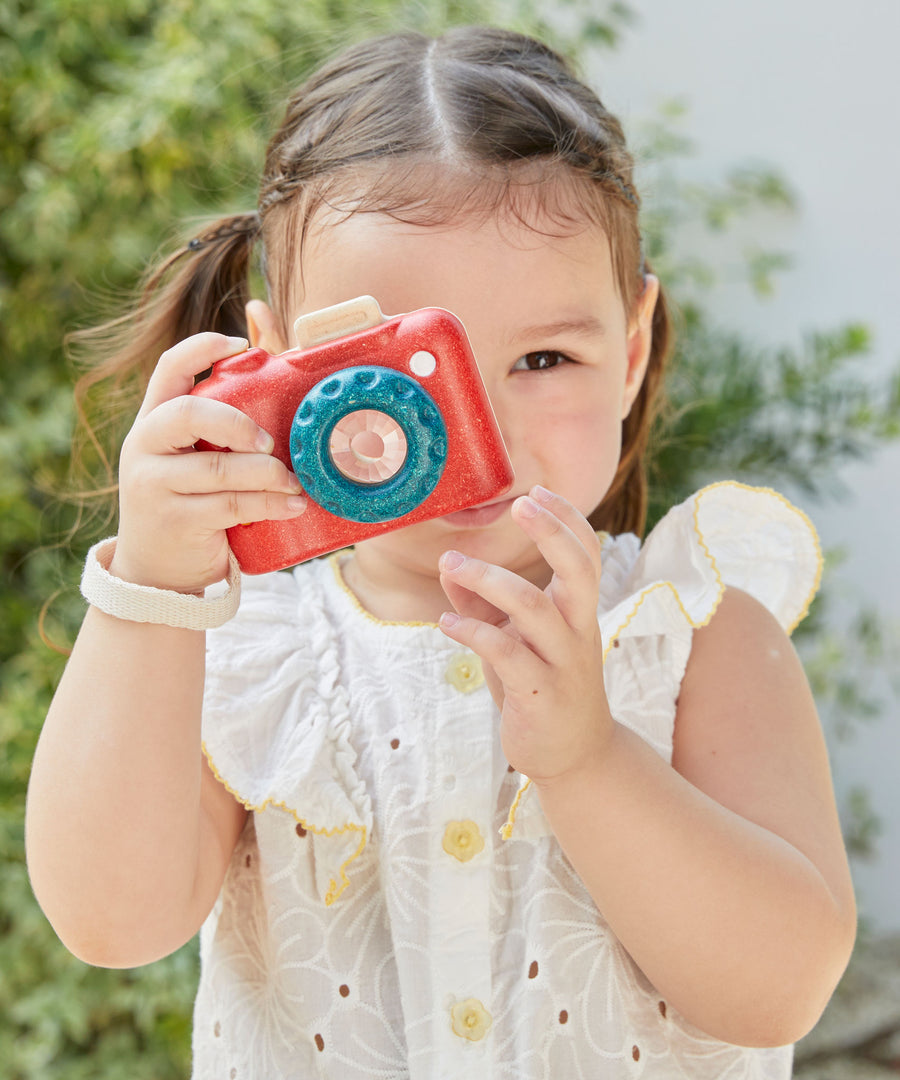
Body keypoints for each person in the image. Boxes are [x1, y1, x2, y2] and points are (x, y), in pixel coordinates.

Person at [25, 25, 856, 1079]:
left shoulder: (692, 628)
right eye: (403, 369)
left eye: (545, 358)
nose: (479, 428)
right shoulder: (243, 646)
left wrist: (590, 761)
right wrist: (150, 589)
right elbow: (111, 922)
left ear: (633, 347)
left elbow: (779, 987)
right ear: (282, 364)